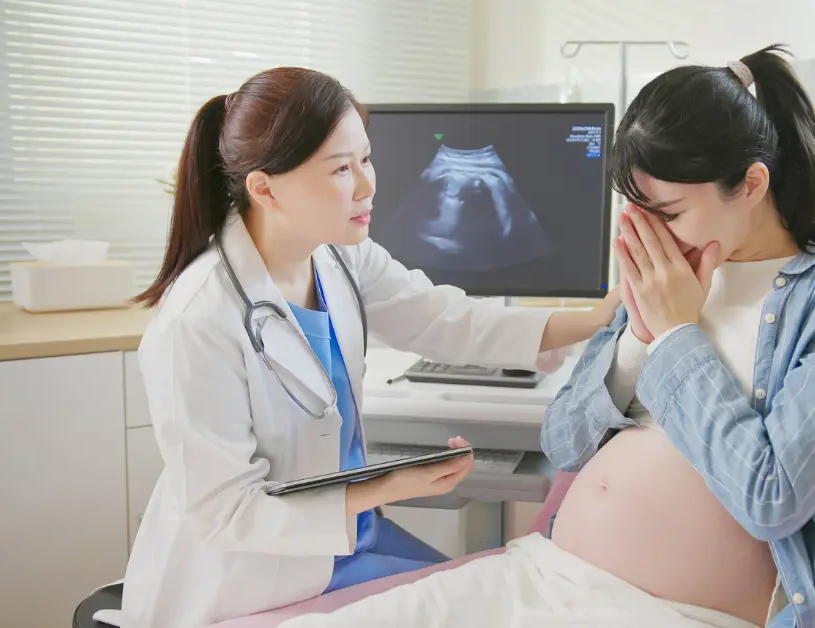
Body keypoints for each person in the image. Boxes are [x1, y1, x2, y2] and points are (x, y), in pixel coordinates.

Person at [277, 45, 815, 628]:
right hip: (544, 575)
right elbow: (565, 442)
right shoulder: (668, 271)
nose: (652, 236)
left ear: (750, 184)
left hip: (670, 611)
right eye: (638, 211)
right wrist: (634, 339)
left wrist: (676, 337)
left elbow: (774, 499)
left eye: (671, 213)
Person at [120, 67, 619, 628]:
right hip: (253, 575)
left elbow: (444, 319)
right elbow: (228, 512)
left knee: (498, 595)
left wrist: (599, 318)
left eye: (366, 158)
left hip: (348, 541)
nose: (367, 185)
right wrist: (387, 482)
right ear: (264, 188)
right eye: (340, 169)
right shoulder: (198, 320)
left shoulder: (338, 256)